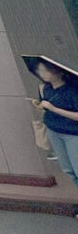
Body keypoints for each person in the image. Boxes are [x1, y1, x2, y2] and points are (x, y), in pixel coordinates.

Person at [31, 60, 78, 197]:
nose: (42, 74)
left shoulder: (71, 91)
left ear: (57, 72)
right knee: (68, 169)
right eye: (39, 71)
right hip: (53, 131)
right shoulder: (44, 88)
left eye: (45, 71)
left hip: (72, 134)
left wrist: (54, 109)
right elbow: (46, 108)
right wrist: (41, 106)